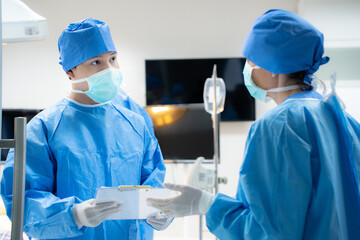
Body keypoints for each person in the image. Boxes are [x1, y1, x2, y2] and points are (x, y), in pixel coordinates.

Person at [147, 9, 360, 239]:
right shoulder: (341, 117)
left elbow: (268, 231)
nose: (246, 69)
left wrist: (206, 204)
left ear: (272, 69)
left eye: (250, 60)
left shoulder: (279, 125)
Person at [0, 18, 172, 240]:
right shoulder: (44, 129)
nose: (109, 69)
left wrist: (163, 210)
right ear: (70, 71)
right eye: (96, 62)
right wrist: (74, 215)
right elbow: (23, 200)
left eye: (113, 58)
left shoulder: (136, 124)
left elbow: (154, 181)